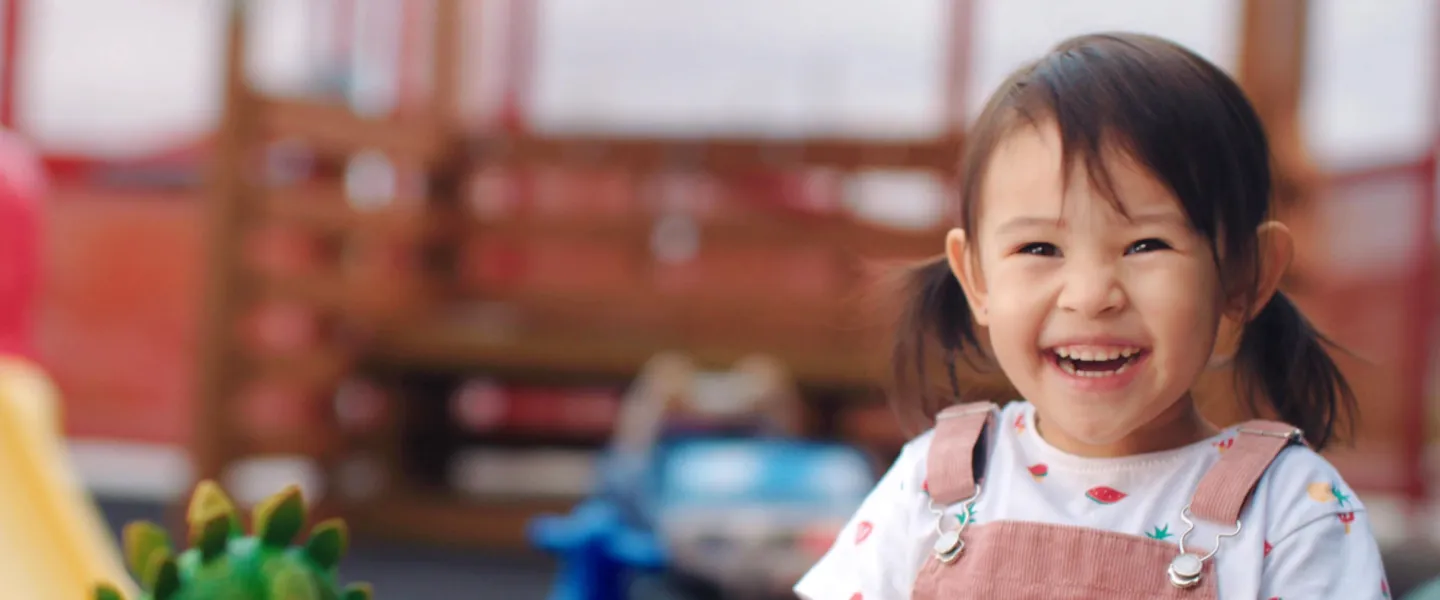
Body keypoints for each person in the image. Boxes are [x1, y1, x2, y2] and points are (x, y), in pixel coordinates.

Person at [794, 32, 1389, 599]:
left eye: (1145, 245)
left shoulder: (1289, 511)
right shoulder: (937, 482)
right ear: (976, 278)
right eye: (1039, 249)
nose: (1090, 294)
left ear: (1244, 276)